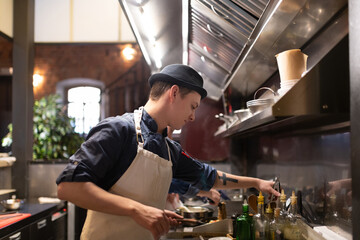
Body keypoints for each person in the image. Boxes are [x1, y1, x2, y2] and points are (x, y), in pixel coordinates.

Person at [56, 64, 280, 240]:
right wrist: (137, 210)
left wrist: (256, 182)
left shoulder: (169, 149)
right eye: (193, 106)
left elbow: (209, 177)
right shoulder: (118, 130)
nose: (193, 117)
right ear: (173, 93)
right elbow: (68, 188)